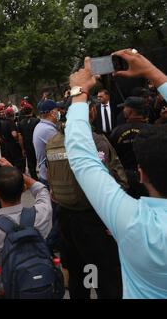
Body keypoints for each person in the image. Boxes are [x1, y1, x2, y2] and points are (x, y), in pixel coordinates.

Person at [66, 48, 167, 298]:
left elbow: (82, 160)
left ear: (141, 174)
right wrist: (153, 73)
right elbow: (84, 158)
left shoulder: (133, 222)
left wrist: (78, 92)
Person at [46, 100, 128, 299]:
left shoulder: (53, 142)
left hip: (65, 217)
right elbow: (115, 180)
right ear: (90, 112)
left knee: (78, 273)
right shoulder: (95, 141)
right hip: (94, 218)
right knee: (106, 276)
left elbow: (51, 179)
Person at [0, 162, 52, 297]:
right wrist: (19, 174)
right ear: (23, 188)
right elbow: (42, 190)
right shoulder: (41, 213)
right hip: (43, 285)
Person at [109, 97, 151, 199]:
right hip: (149, 181)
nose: (123, 110)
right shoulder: (152, 131)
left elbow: (111, 158)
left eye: (124, 108)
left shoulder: (116, 132)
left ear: (130, 111)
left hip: (125, 180)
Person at [32, 99, 60, 185]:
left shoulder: (41, 126)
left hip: (46, 174)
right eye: (57, 110)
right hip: (50, 177)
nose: (58, 113)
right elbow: (62, 148)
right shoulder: (47, 130)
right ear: (52, 113)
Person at [18, 105, 40, 180]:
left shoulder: (21, 123)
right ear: (32, 111)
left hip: (27, 145)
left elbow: (20, 137)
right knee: (41, 161)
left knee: (31, 164)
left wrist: (22, 148)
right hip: (37, 144)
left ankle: (34, 179)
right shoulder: (37, 121)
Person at [0, 108, 25, 172]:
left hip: (6, 146)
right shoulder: (11, 122)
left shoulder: (3, 122)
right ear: (13, 114)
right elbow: (14, 134)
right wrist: (17, 138)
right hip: (13, 146)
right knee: (19, 163)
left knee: (11, 163)